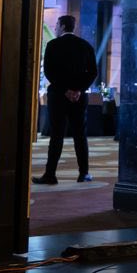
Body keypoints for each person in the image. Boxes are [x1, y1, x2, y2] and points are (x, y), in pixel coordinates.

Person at [34, 14, 99, 184]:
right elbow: (93, 72)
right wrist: (78, 89)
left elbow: (49, 71)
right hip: (79, 98)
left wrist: (65, 90)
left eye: (56, 25)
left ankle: (50, 174)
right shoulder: (85, 46)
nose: (55, 28)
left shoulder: (53, 45)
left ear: (62, 26)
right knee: (80, 135)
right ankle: (84, 173)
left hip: (58, 96)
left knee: (57, 135)